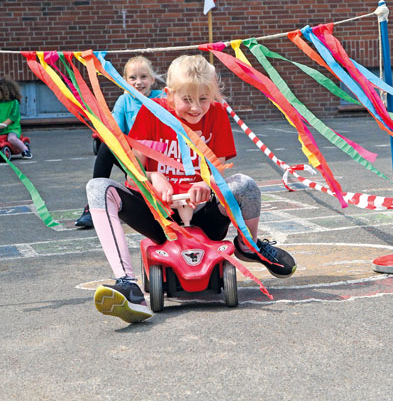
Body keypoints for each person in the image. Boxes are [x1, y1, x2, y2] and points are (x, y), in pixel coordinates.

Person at [88, 55, 297, 324]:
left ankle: (248, 245)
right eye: (187, 99)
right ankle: (127, 284)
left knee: (245, 185)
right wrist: (155, 176)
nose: (196, 108)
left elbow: (219, 163)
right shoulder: (152, 110)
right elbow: (135, 166)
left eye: (204, 99)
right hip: (160, 214)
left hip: (203, 211)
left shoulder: (217, 114)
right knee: (98, 188)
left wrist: (206, 182)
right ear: (169, 94)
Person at [75, 56, 165, 228]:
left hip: (159, 156)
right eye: (133, 78)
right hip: (134, 157)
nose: (138, 82)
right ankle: (95, 203)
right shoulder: (124, 101)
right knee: (107, 145)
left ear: (152, 79)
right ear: (125, 81)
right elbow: (115, 131)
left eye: (143, 77)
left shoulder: (162, 98)